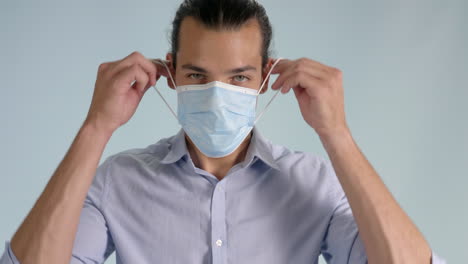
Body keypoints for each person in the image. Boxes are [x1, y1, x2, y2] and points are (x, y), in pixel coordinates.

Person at [1, 0, 446, 263]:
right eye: (197, 76)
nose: (217, 96)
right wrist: (95, 127)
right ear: (170, 73)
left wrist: (338, 135)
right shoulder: (119, 182)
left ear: (266, 75)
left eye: (237, 78)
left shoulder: (313, 185)